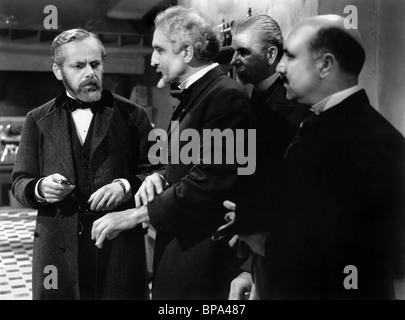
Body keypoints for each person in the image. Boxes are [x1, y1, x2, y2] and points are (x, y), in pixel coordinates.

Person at [230, 14, 405, 299]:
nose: (282, 67)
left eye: (291, 57)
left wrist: (263, 238)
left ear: (325, 65)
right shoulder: (322, 127)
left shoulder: (369, 140)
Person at [91, 5, 251, 300]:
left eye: (159, 50)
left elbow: (213, 179)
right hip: (180, 248)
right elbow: (187, 163)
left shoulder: (226, 96)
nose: (152, 60)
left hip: (203, 256)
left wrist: (135, 215)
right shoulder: (194, 95)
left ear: (187, 52)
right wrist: (161, 176)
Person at [11, 28, 154, 300]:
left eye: (96, 64)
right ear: (58, 70)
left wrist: (125, 186)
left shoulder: (133, 115)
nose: (90, 73)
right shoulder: (36, 119)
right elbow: (20, 182)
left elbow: (157, 171)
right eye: (78, 66)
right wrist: (40, 188)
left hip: (118, 247)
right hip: (57, 250)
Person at [217, 15, 310, 300]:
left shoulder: (295, 110)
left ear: (271, 55)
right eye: (233, 52)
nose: (234, 60)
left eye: (244, 52)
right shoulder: (251, 101)